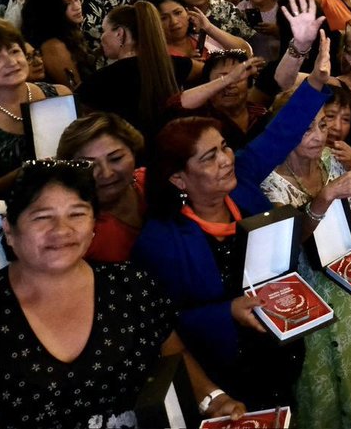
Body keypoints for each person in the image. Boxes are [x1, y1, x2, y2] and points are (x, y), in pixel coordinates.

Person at [132, 38, 334, 412]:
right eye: (209, 158)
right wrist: (226, 312)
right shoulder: (160, 240)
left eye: (224, 147)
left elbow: (279, 134)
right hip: (223, 370)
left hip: (279, 345)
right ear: (178, 179)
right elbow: (164, 325)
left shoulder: (241, 181)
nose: (226, 160)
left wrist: (317, 83)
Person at [0, 161, 248, 427]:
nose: (62, 230)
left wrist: (213, 399)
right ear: (9, 229)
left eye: (77, 214)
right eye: (42, 217)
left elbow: (171, 354)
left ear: (92, 227)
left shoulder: (131, 284)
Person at [260, 82, 351, 428]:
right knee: (316, 387)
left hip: (344, 286)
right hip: (302, 296)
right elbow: (289, 243)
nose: (317, 135)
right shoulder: (268, 182)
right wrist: (325, 197)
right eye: (305, 128)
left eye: (322, 125)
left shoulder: (331, 159)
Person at [0, 18, 72, 199]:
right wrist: (19, 175)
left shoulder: (59, 94)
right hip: (4, 215)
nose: (11, 62)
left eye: (14, 51)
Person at [74, 1, 196, 135]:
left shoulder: (98, 81)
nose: (101, 38)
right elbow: (210, 70)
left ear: (119, 33)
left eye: (104, 30)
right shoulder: (171, 65)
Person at [56, 112, 148, 263]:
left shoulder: (155, 183)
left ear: (133, 151)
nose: (106, 173)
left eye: (116, 158)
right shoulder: (77, 232)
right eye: (89, 165)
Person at [20, 0, 95, 88]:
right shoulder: (53, 46)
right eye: (67, 4)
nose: (77, 7)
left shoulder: (67, 30)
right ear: (51, 9)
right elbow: (77, 92)